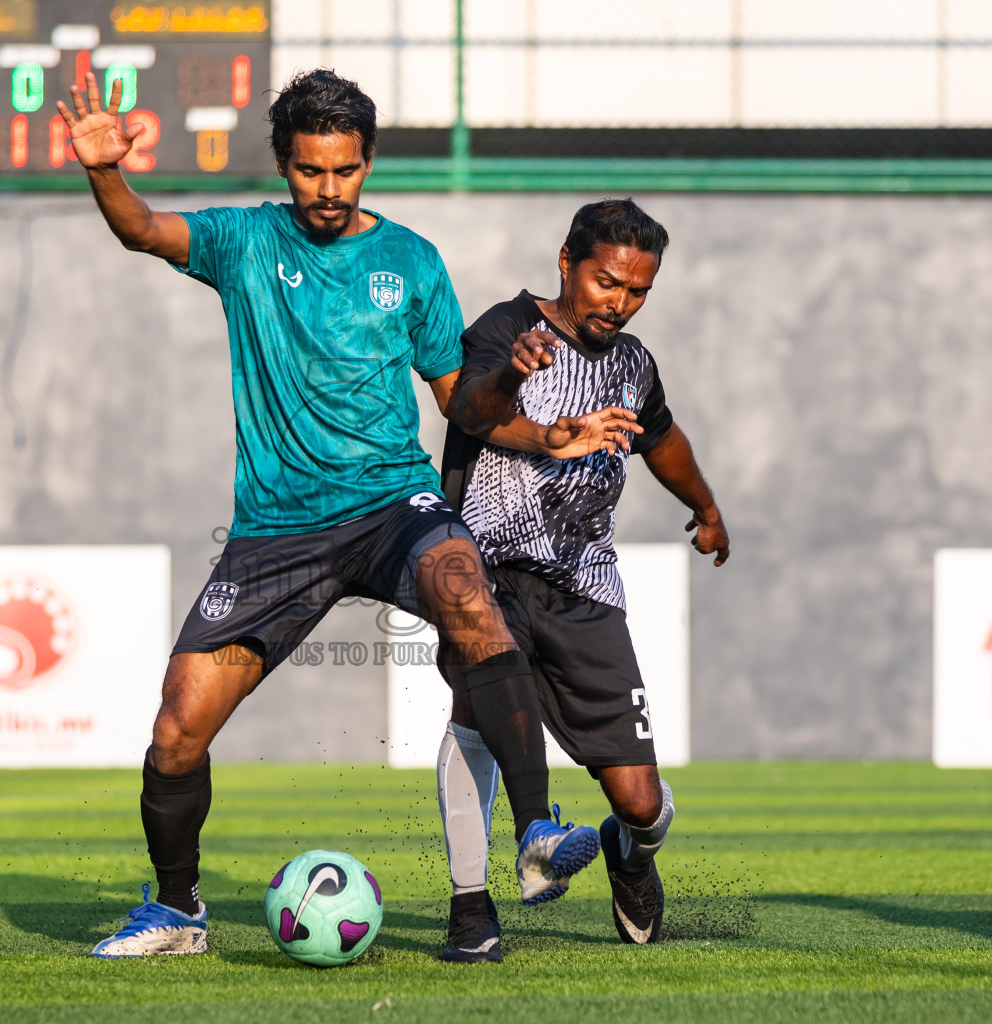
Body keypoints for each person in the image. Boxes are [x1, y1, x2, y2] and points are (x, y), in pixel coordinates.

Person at [57, 68, 602, 958]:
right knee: (177, 727)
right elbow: (143, 230)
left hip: (392, 503)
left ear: (367, 162)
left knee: (469, 592)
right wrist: (104, 173)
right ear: (285, 164)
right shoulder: (241, 242)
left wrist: (520, 399)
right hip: (276, 529)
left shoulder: (412, 262)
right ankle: (179, 910)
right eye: (311, 170)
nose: (328, 188)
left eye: (345, 170)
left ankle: (539, 831)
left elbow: (462, 404)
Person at [433, 199, 730, 962]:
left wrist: (703, 504)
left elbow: (659, 439)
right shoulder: (509, 329)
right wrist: (511, 376)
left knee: (642, 804)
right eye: (606, 283)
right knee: (475, 713)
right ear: (567, 262)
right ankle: (471, 910)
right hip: (488, 572)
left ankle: (629, 857)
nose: (619, 302)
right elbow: (467, 409)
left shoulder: (633, 364)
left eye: (637, 292)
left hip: (585, 592)